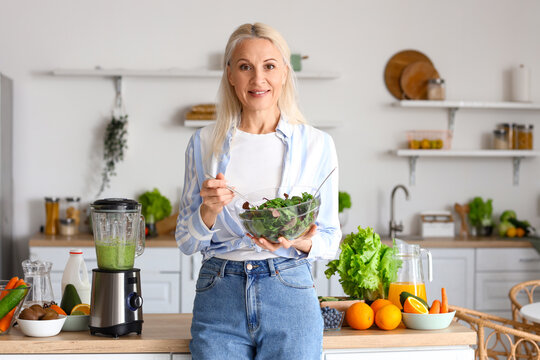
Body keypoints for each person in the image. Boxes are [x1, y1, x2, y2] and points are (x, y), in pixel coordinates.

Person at [175, 22, 341, 360]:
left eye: (269, 66)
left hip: (290, 291)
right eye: (245, 67)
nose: (258, 79)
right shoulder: (204, 142)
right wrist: (208, 210)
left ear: (284, 74)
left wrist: (298, 241)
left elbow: (330, 238)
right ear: (230, 75)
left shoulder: (317, 145)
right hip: (219, 293)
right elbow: (185, 240)